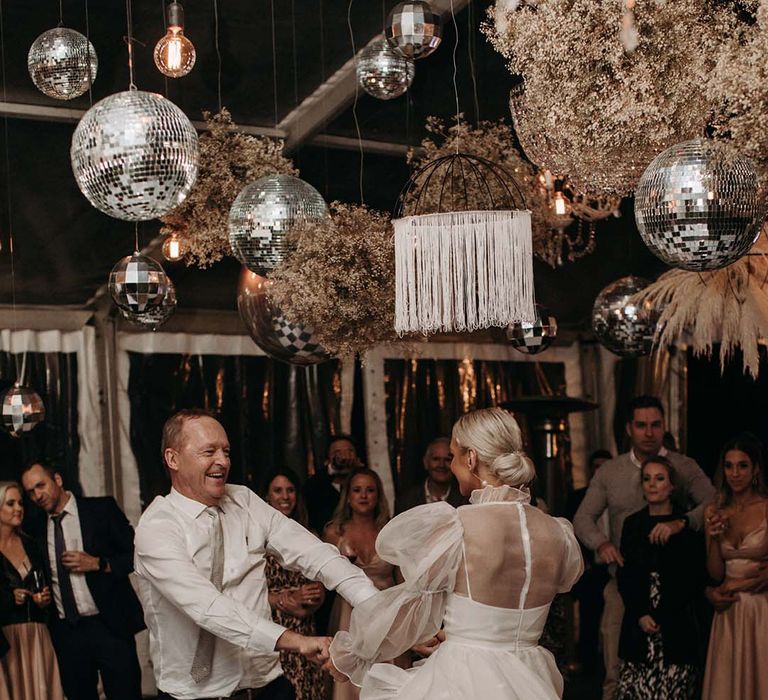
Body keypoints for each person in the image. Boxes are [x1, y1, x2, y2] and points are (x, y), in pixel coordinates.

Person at [327, 407, 584, 699]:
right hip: (532, 676)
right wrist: (462, 629)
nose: (451, 466)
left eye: (453, 456)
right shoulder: (558, 533)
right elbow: (505, 617)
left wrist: (353, 652)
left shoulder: (458, 526)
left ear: (471, 458)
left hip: (465, 678)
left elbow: (412, 606)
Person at [134, 409, 380, 700]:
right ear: (173, 459)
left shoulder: (245, 500)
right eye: (209, 451)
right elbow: (206, 606)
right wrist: (295, 641)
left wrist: (381, 610)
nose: (223, 461)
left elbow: (314, 554)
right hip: (195, 694)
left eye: (226, 451)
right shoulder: (157, 528)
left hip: (268, 686)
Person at [573, 396, 715, 700]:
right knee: (615, 669)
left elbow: (714, 504)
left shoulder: (683, 466)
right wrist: (602, 543)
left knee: (677, 671)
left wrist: (684, 522)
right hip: (623, 581)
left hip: (676, 590)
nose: (649, 433)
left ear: (664, 427)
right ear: (629, 428)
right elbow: (583, 517)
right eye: (641, 425)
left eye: (655, 425)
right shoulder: (610, 471)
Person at [20, 463, 145, 700]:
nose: (37, 495)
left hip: (109, 626)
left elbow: (137, 556)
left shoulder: (101, 510)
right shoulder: (34, 528)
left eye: (40, 485)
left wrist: (99, 563)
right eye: (30, 491)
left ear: (57, 479)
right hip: (67, 633)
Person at [616, 457, 705, 700]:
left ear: (672, 485)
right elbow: (626, 575)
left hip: (676, 627)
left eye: (660, 478)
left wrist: (660, 615)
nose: (652, 485)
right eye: (647, 479)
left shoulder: (684, 527)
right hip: (638, 624)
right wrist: (641, 613)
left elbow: (690, 582)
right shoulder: (633, 524)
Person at [324, 467, 408, 700]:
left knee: (385, 677)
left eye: (370, 490)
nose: (363, 496)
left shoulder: (389, 531)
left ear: (378, 496)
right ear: (348, 496)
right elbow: (324, 578)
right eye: (357, 490)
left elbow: (402, 579)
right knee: (351, 681)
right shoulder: (334, 531)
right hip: (349, 614)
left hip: (385, 612)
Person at [701, 434, 768, 700]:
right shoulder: (714, 510)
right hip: (729, 611)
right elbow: (715, 573)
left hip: (762, 609)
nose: (735, 473)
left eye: (742, 466)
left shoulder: (766, 507)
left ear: (755, 470)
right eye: (729, 466)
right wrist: (716, 538)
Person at [262, 470, 329, 700]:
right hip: (271, 630)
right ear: (267, 497)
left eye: (290, 490)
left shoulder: (308, 534)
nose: (285, 496)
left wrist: (308, 601)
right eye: (278, 490)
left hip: (305, 628)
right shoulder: (255, 538)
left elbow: (319, 589)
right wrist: (284, 599)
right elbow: (245, 591)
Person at [0, 481, 64, 700]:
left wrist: (44, 599)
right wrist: (9, 599)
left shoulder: (32, 544)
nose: (18, 508)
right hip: (6, 639)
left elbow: (45, 581)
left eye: (20, 503)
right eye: (10, 503)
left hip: (37, 635)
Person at [567, 449, 612, 675]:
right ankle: (588, 666)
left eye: (605, 465)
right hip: (591, 567)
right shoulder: (579, 497)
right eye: (596, 466)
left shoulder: (618, 495)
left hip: (615, 567)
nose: (600, 470)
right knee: (589, 619)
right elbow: (570, 531)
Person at [305, 436, 364, 536]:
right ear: (328, 459)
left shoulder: (365, 484)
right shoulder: (315, 487)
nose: (345, 456)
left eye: (350, 451)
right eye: (337, 452)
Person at [395, 438, 468, 514]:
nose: (441, 465)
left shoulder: (466, 501)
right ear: (426, 463)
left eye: (447, 459)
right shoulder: (406, 501)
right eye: (436, 459)